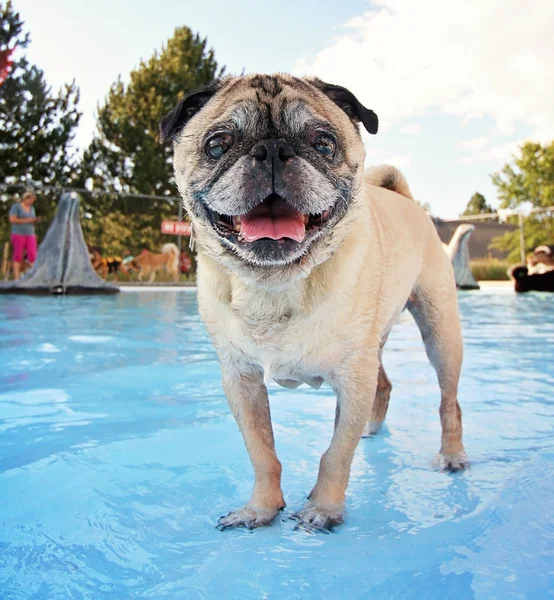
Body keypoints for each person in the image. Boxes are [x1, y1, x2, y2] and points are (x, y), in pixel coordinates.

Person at [8, 191, 41, 280]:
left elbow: (31, 220)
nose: (31, 202)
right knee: (18, 254)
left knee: (32, 254)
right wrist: (28, 220)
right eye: (31, 200)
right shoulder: (17, 207)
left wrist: (34, 220)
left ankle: (34, 277)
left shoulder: (32, 208)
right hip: (18, 234)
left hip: (30, 234)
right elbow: (12, 220)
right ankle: (16, 277)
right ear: (26, 198)